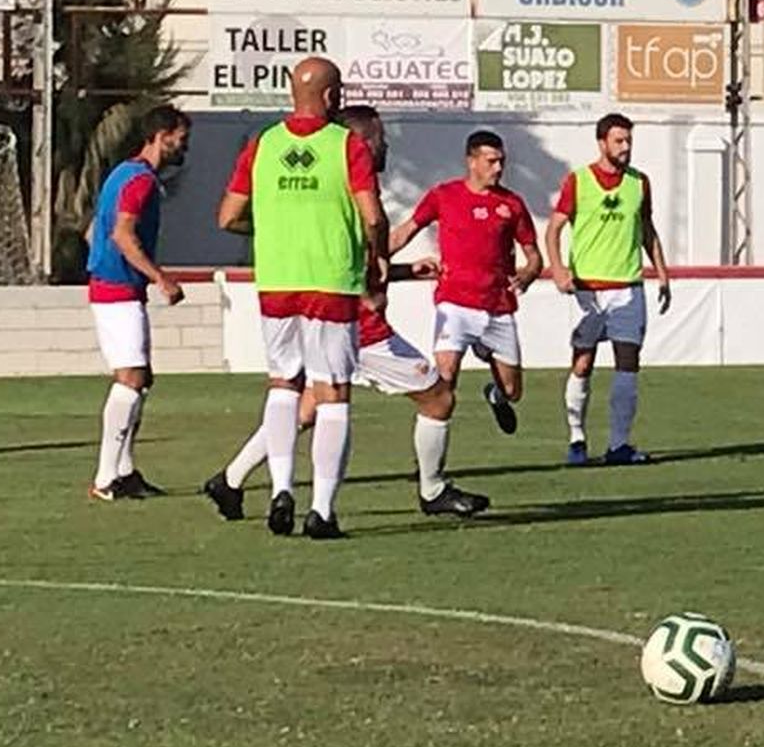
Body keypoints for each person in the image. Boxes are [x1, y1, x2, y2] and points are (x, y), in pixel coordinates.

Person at [204, 106, 488, 522]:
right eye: (381, 138)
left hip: (326, 311)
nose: (386, 145)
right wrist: (383, 273)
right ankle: (430, 490)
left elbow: (353, 253)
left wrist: (406, 269)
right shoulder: (352, 184)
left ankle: (229, 481)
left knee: (303, 408)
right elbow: (362, 247)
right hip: (357, 325)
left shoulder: (322, 182)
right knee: (438, 398)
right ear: (363, 140)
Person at [216, 57, 387, 540]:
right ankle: (323, 510)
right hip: (329, 278)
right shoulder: (346, 144)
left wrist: (269, 227)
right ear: (332, 97)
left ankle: (280, 490)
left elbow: (227, 216)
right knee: (332, 393)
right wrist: (376, 259)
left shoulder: (263, 144)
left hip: (276, 279)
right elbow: (372, 216)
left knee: (283, 385)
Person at [387, 129, 541, 437]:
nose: (498, 168)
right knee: (444, 383)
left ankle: (495, 394)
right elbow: (404, 232)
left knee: (513, 391)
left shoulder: (511, 204)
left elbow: (534, 255)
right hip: (454, 305)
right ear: (472, 162)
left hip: (497, 307)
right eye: (491, 161)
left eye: (502, 162)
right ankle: (429, 470)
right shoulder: (444, 196)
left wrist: (528, 272)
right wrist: (374, 258)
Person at [543, 112, 672, 466]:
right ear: (602, 143)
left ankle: (619, 444)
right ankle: (577, 438)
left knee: (628, 362)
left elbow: (647, 229)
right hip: (588, 289)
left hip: (628, 286)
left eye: (629, 140)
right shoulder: (578, 181)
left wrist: (661, 272)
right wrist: (557, 269)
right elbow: (552, 230)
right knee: (582, 363)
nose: (626, 147)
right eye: (619, 141)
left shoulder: (639, 183)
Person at [84, 104, 190, 500]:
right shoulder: (141, 180)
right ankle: (105, 478)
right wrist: (160, 277)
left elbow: (95, 231)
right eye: (182, 139)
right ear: (162, 136)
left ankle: (125, 472)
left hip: (115, 286)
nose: (185, 147)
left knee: (140, 378)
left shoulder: (122, 174)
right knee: (130, 378)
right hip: (117, 290)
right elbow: (122, 236)